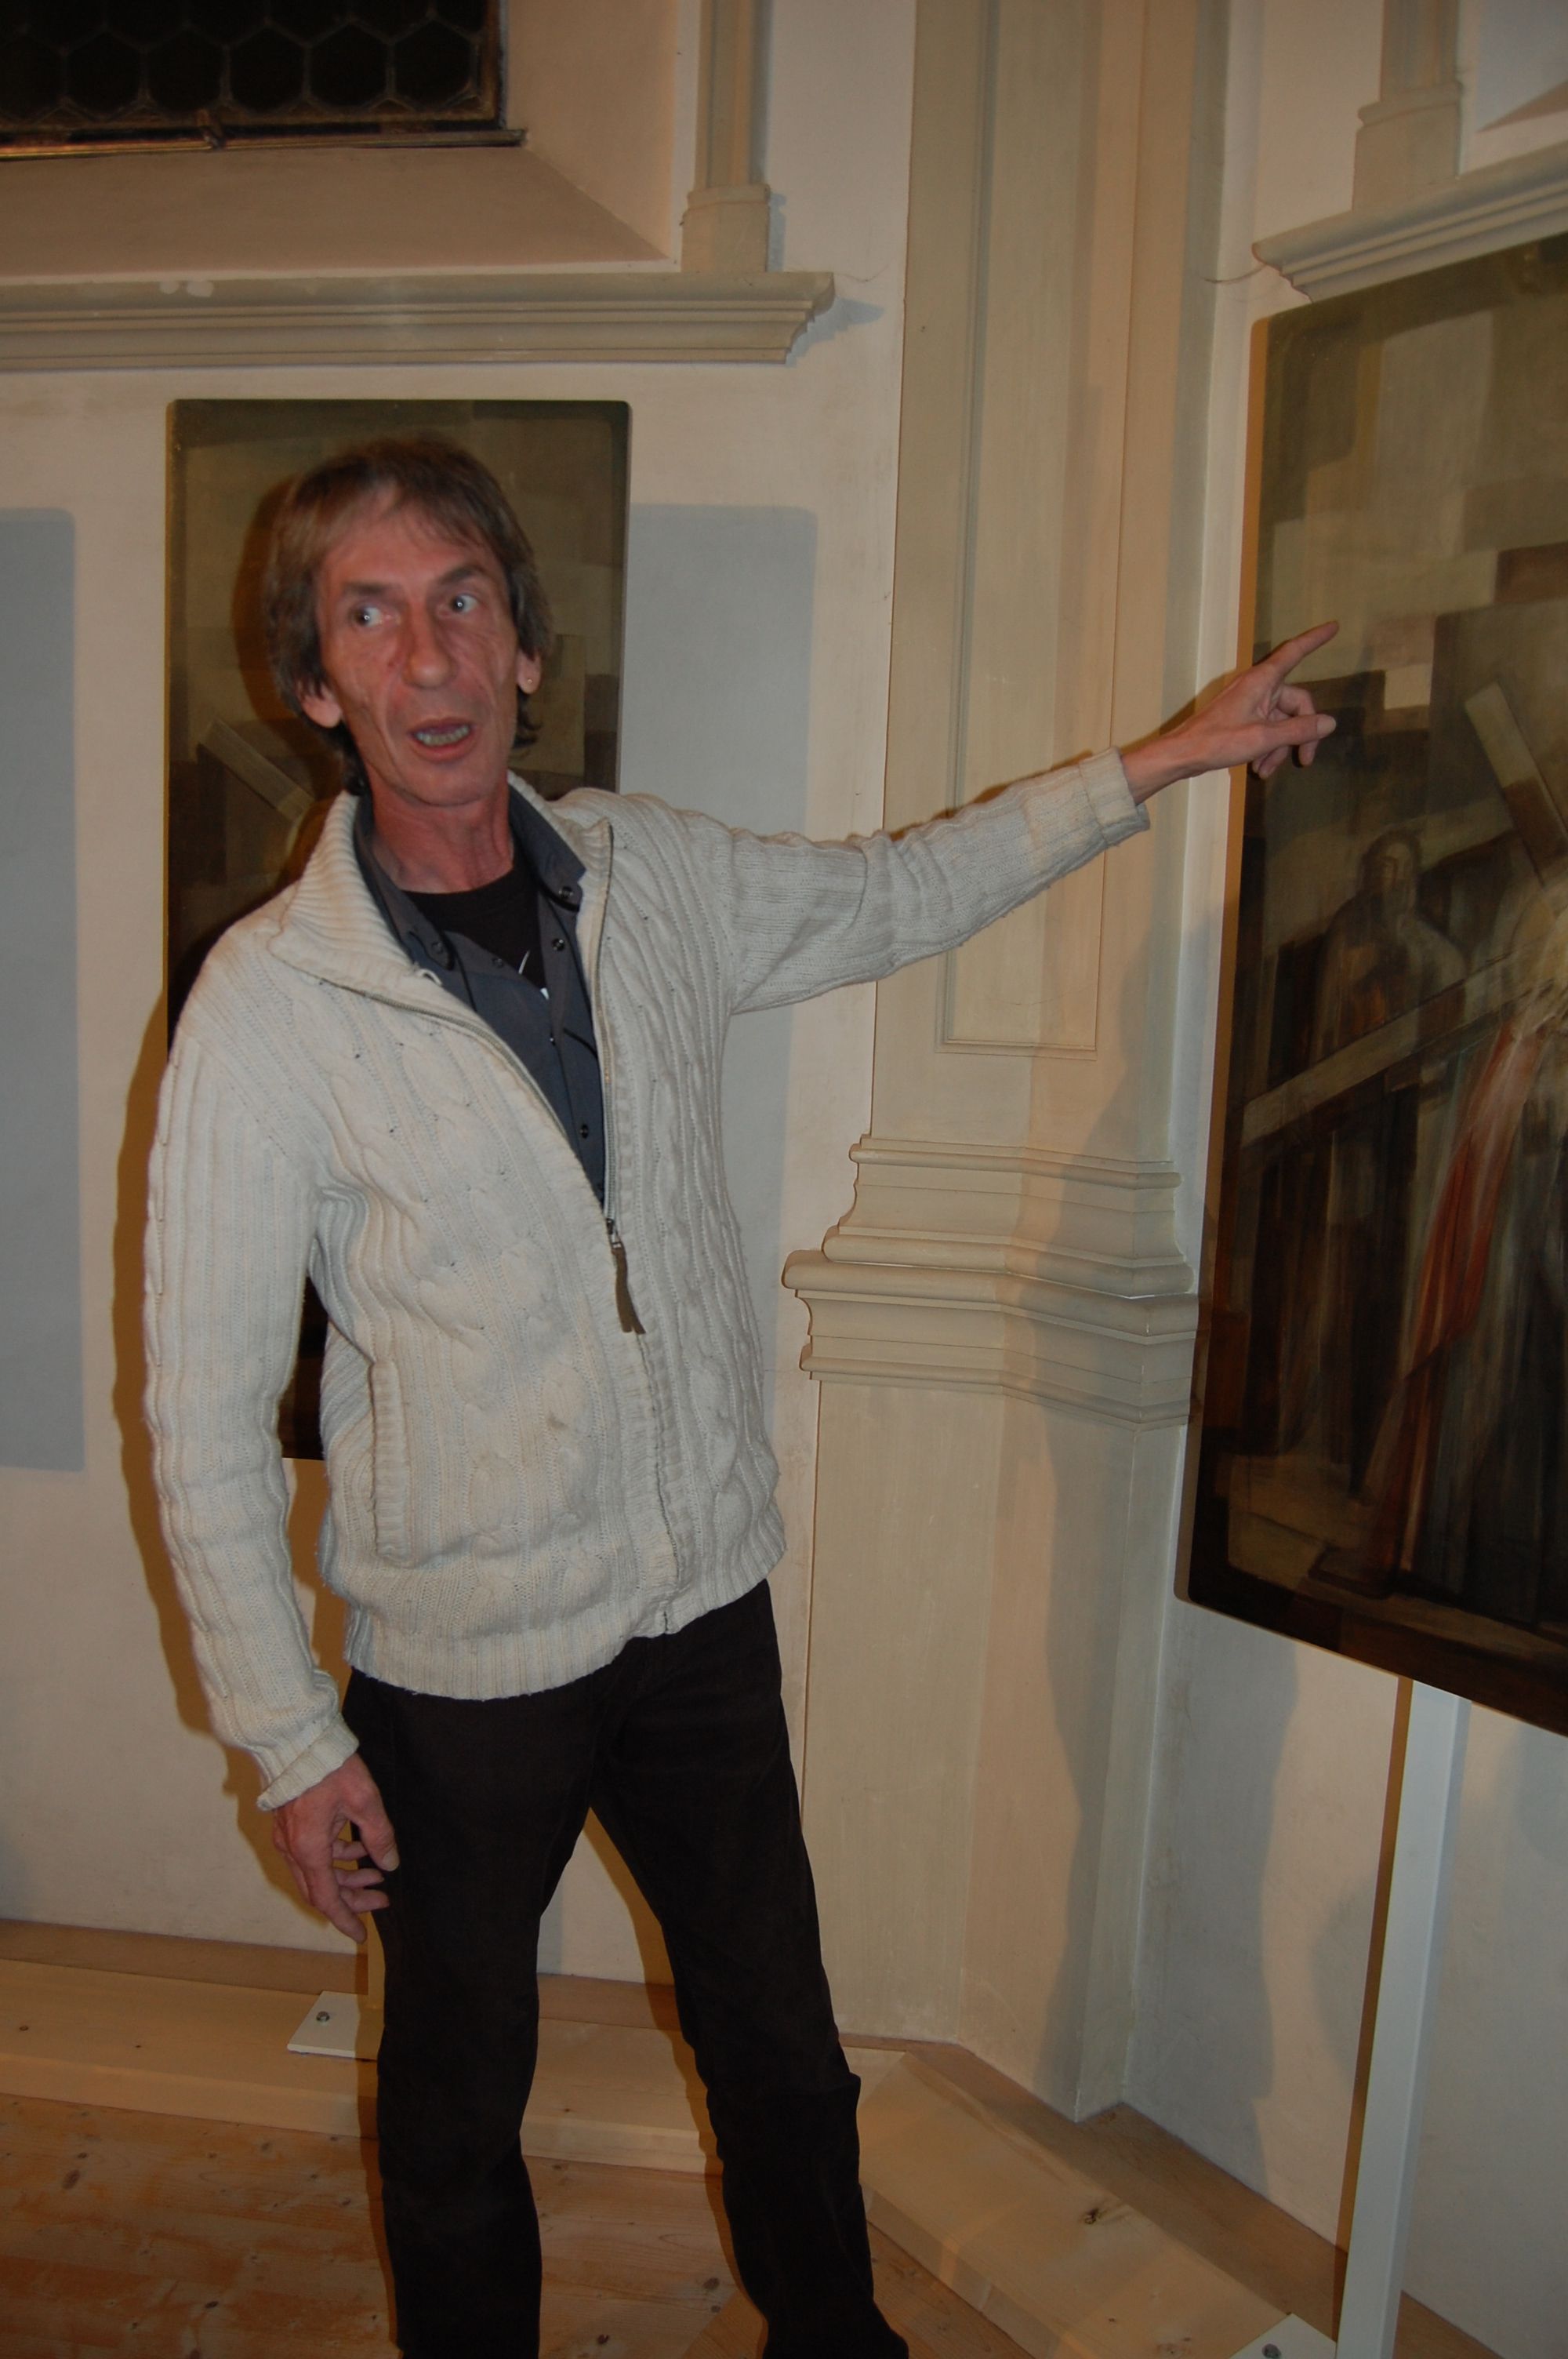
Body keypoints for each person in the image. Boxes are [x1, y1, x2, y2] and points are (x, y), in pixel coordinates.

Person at [144, 437, 1334, 2359]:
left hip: (696, 1606)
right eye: (370, 615)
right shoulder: (271, 1007)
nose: (430, 655)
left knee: (782, 2047)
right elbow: (199, 1418)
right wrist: (290, 1740)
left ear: (527, 647)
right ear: (315, 682)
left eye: (462, 600)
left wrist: (1161, 762)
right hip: (462, 1666)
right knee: (452, 2112)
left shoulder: (652, 877)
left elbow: (899, 890)